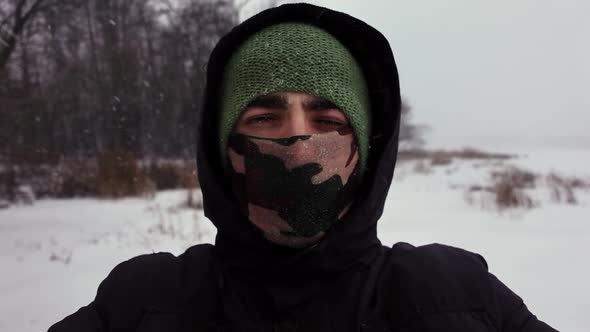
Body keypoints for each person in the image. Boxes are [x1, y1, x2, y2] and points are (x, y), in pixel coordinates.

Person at [49, 3, 556, 331]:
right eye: (265, 116)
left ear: (365, 149)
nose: (298, 145)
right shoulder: (146, 302)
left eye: (326, 117)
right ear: (221, 146)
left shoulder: (457, 295)